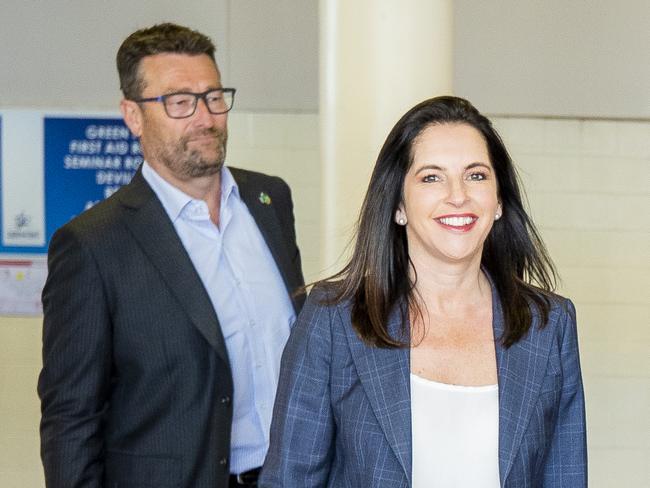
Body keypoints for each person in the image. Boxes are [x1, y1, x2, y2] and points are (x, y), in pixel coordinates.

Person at [260, 96, 587, 487]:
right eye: (431, 177)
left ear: (499, 200)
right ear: (399, 205)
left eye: (476, 175)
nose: (458, 195)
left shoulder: (548, 324)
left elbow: (564, 477)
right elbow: (289, 479)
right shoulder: (335, 319)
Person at [38, 23, 304, 487]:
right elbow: (70, 420)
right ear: (133, 115)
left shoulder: (270, 200)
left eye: (214, 97)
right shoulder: (93, 244)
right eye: (179, 102)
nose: (205, 118)